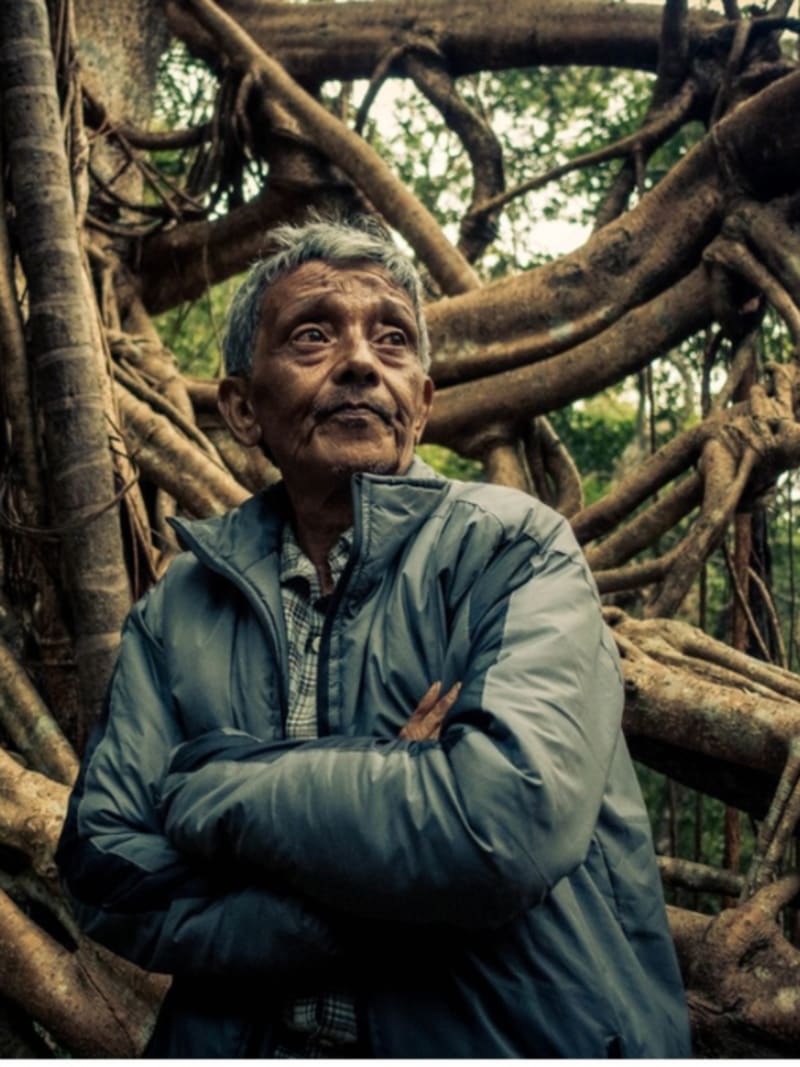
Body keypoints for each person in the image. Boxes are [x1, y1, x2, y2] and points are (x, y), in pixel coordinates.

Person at [56, 215, 691, 1058]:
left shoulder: (510, 549)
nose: (361, 360)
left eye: (392, 339)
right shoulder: (180, 608)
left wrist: (208, 785)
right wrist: (390, 840)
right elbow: (106, 871)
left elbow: (498, 827)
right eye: (314, 334)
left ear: (421, 404)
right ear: (243, 407)